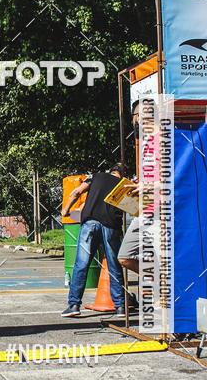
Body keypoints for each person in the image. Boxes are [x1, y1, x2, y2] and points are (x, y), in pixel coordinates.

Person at [60, 164, 133, 318]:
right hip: (111, 226)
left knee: (81, 265)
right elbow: (130, 208)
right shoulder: (125, 185)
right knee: (114, 266)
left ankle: (74, 305)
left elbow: (76, 192)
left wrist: (66, 210)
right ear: (123, 174)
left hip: (90, 224)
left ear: (111, 171)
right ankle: (120, 306)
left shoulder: (95, 176)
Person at [118, 97, 158, 276]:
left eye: (134, 116)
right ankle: (158, 278)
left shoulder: (163, 140)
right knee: (124, 256)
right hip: (144, 210)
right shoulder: (146, 143)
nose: (133, 121)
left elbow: (176, 178)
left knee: (162, 257)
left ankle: (164, 292)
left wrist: (148, 186)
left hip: (160, 212)